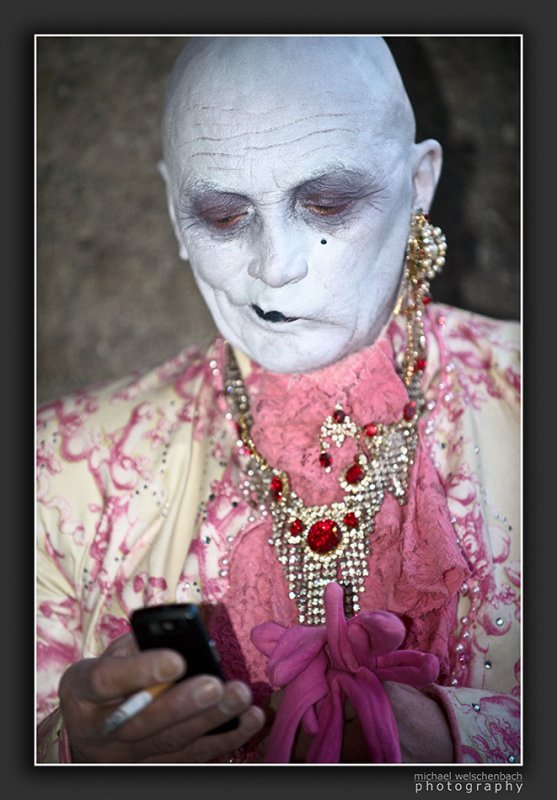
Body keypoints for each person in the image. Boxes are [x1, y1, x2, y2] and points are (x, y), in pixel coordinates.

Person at [36, 36, 520, 764]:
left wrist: (464, 743)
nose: (276, 266)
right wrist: (70, 751)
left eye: (327, 204)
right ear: (174, 211)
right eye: (223, 217)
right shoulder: (55, 467)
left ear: (419, 183)